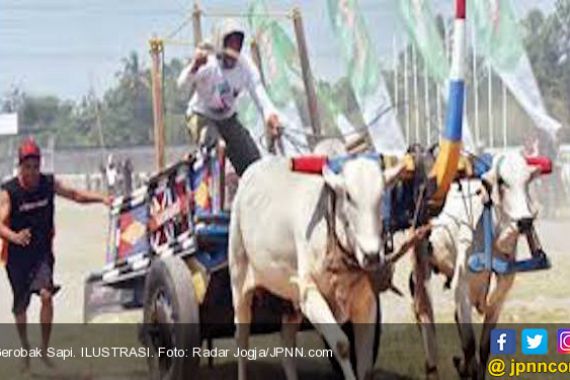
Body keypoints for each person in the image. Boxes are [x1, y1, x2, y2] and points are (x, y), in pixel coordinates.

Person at [0, 138, 110, 371]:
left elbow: (75, 195)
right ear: (19, 167)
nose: (31, 173)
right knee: (20, 308)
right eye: (27, 167)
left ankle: (44, 349)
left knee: (47, 296)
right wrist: (15, 237)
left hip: (41, 254)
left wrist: (101, 199)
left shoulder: (48, 183)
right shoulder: (9, 192)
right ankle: (25, 350)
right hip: (17, 258)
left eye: (35, 167)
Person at [177, 18, 282, 176]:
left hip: (228, 119)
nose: (234, 49)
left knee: (253, 162)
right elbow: (182, 84)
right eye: (230, 44)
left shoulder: (245, 66)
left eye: (237, 44)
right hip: (201, 116)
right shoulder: (209, 65)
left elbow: (259, 93)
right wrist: (194, 66)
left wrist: (270, 116)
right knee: (216, 147)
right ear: (221, 45)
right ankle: (213, 190)